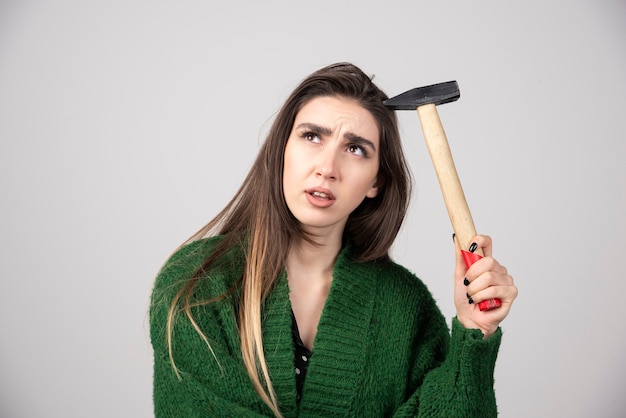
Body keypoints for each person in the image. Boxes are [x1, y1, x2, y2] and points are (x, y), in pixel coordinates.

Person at [149, 62, 518, 417]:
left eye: (356, 149)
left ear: (376, 181)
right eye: (312, 136)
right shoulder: (197, 282)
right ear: (281, 151)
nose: (327, 168)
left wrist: (475, 333)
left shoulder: (406, 307)